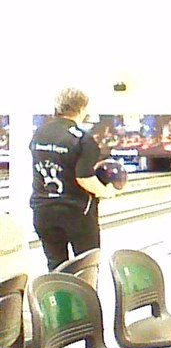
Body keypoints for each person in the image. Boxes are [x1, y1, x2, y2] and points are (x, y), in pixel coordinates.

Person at [30, 87, 115, 270]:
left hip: (43, 211)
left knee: (56, 265)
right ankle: (84, 290)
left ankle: (58, 289)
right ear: (82, 109)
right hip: (76, 213)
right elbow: (84, 178)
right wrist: (106, 192)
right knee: (87, 267)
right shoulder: (83, 139)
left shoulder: (39, 133)